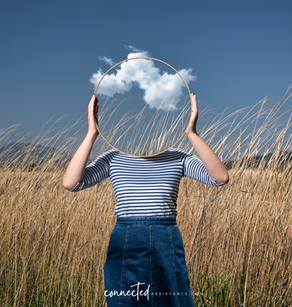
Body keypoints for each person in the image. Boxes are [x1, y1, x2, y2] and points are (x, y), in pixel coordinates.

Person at [63, 94, 229, 307]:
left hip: (165, 236)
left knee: (172, 299)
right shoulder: (114, 157)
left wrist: (192, 133)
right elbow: (71, 183)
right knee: (124, 299)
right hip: (126, 236)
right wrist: (92, 133)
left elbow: (220, 178)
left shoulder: (177, 156)